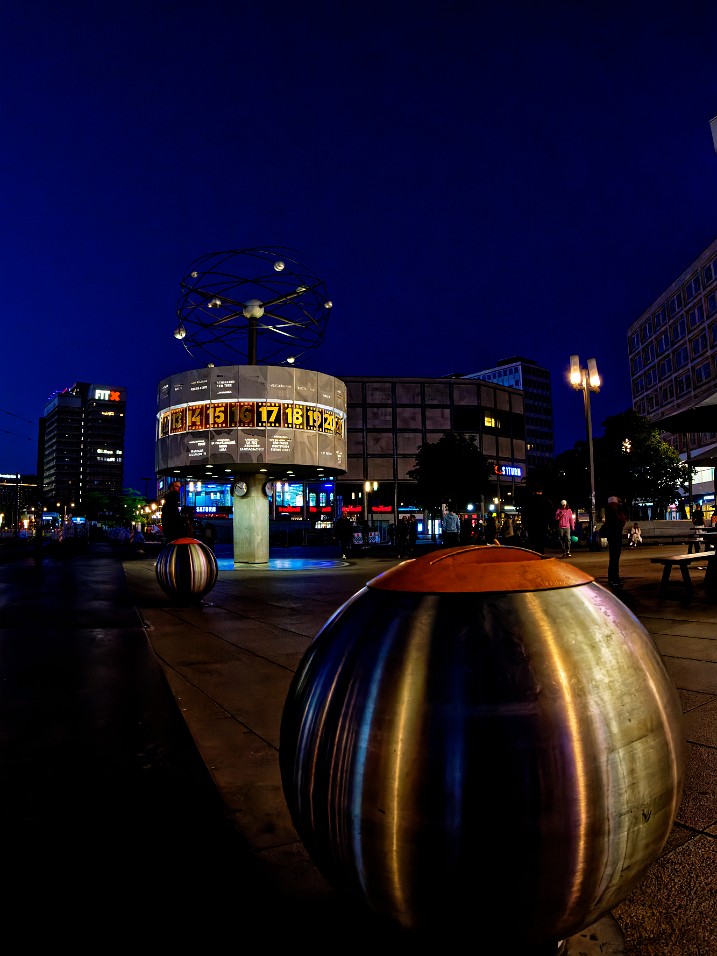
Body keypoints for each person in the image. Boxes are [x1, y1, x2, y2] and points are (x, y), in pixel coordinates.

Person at [602, 495, 627, 587]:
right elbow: (622, 521)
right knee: (614, 558)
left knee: (614, 558)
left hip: (613, 536)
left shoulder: (610, 511)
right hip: (615, 536)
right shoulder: (615, 511)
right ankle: (613, 578)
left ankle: (613, 577)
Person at [521, 487, 554, 555]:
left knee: (533, 541)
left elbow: (524, 513)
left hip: (532, 525)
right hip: (543, 525)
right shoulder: (547, 501)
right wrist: (550, 524)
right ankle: (540, 555)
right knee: (541, 542)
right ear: (541, 492)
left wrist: (525, 524)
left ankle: (534, 555)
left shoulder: (529, 501)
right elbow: (551, 514)